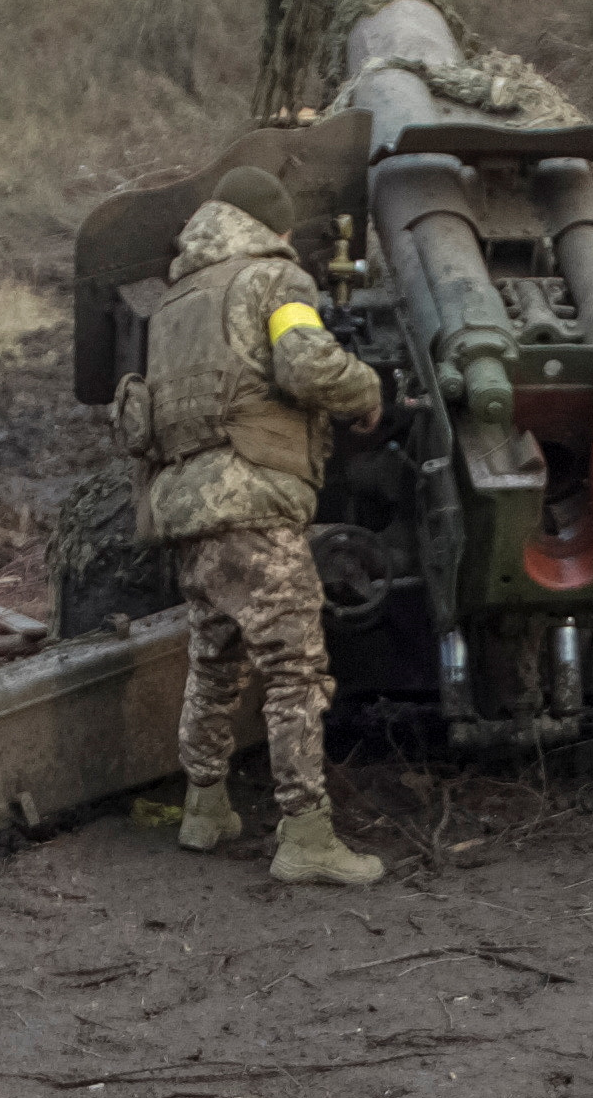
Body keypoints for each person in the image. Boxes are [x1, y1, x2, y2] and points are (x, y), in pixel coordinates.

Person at [121, 166, 392, 887]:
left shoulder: (177, 300)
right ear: (272, 228)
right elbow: (306, 366)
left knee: (214, 660)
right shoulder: (275, 282)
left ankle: (204, 808)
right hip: (255, 498)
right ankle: (305, 834)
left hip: (188, 508)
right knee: (295, 670)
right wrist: (366, 388)